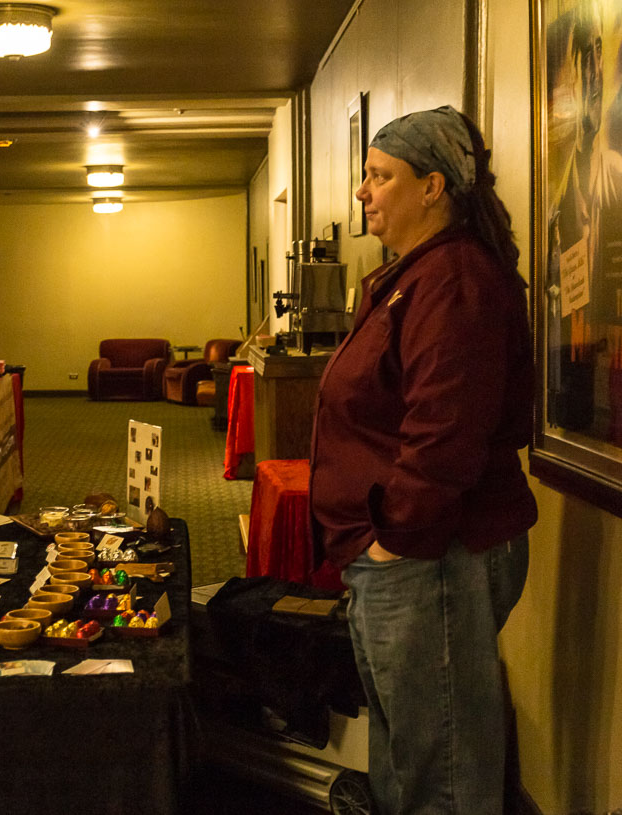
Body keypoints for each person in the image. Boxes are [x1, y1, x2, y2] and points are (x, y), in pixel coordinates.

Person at [308, 106, 538, 814]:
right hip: (407, 556)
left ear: (432, 186)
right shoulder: (416, 275)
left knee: (441, 773)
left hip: (433, 554)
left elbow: (444, 434)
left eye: (380, 175)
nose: (362, 190)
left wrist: (394, 543)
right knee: (409, 755)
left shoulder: (454, 279)